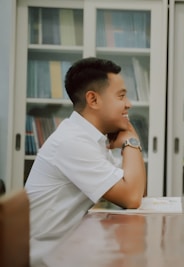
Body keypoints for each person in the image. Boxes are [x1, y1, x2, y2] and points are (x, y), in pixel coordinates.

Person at [25, 57, 147, 266]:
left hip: (67, 249)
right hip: (44, 258)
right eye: (121, 96)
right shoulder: (72, 142)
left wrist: (128, 141)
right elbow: (132, 197)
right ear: (93, 99)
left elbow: (131, 187)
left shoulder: (90, 138)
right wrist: (131, 139)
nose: (128, 104)